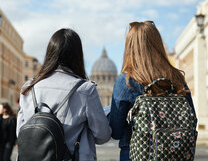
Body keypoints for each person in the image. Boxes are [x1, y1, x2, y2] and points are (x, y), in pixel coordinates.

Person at [16, 28, 111, 160]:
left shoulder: (28, 88)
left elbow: (21, 131)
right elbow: (103, 136)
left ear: (50, 53)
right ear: (78, 55)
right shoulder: (86, 90)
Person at [109, 21, 196, 161]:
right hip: (176, 154)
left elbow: (116, 132)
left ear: (130, 47)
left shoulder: (126, 82)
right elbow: (192, 120)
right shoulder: (177, 78)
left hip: (136, 153)